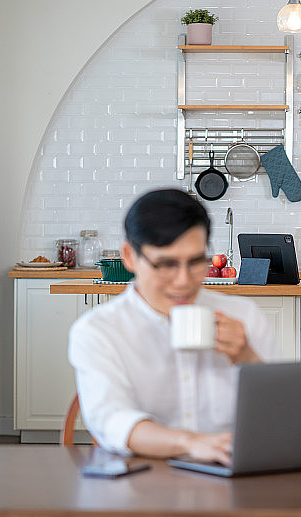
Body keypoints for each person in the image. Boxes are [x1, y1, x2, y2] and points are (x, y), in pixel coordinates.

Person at [68, 189, 280, 465]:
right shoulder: (99, 331)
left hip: (234, 475)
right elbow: (112, 420)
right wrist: (192, 443)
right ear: (130, 257)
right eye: (166, 264)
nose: (183, 281)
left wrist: (247, 358)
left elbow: (280, 413)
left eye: (195, 263)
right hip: (141, 481)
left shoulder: (243, 315)